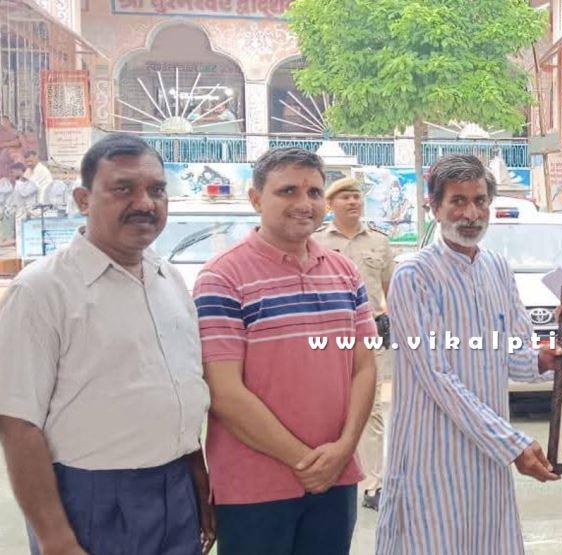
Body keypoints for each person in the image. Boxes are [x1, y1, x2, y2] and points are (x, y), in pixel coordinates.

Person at [0, 134, 214, 555]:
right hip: (92, 496)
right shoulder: (43, 290)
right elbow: (17, 424)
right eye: (123, 189)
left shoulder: (168, 279)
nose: (145, 203)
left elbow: (181, 389)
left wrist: (198, 482)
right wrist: (55, 538)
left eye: (156, 190)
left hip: (176, 486)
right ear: (82, 199)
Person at [376, 154, 562, 554]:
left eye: (480, 200)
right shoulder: (414, 276)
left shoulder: (497, 267)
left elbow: (513, 354)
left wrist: (545, 361)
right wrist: (513, 444)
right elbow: (437, 376)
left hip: (487, 459)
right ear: (434, 206)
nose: (471, 213)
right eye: (457, 201)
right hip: (433, 457)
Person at [193, 148, 377, 555]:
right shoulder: (222, 277)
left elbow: (363, 368)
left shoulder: (344, 273)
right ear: (256, 198)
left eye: (313, 192)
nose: (303, 204)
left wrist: (343, 450)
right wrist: (305, 462)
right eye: (288, 191)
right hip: (254, 488)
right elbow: (224, 392)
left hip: (336, 479)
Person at [312, 176, 395, 511]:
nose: (353, 202)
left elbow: (391, 289)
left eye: (357, 196)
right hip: (326, 338)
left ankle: (373, 484)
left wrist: (395, 322)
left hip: (369, 335)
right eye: (345, 197)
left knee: (371, 410)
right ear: (331, 204)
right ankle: (328, 472)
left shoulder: (379, 242)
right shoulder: (316, 241)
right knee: (328, 406)